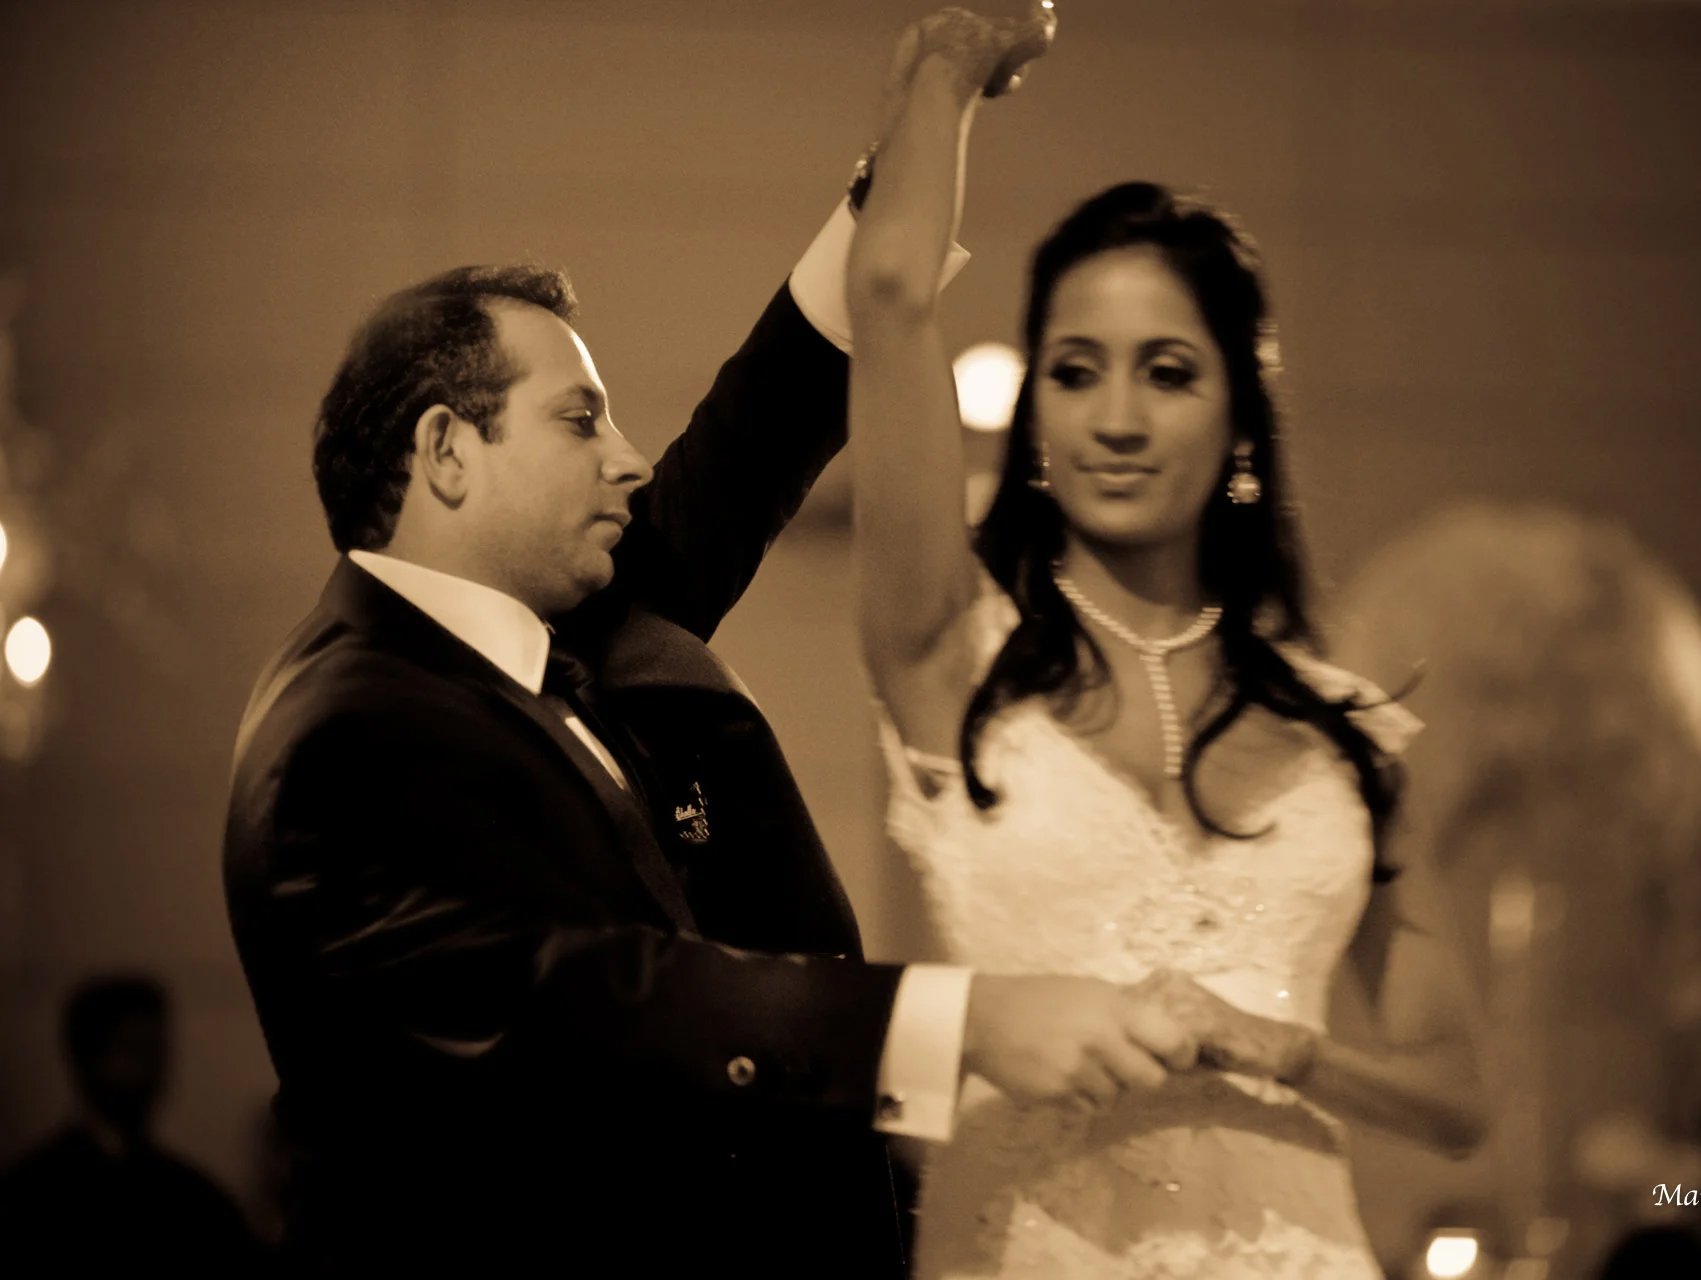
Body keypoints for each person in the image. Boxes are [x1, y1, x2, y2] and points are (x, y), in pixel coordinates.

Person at [221, 11, 1267, 1275]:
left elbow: (754, 430)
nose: (628, 460)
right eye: (580, 420)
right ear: (447, 451)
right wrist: (953, 1020)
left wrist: (928, 119)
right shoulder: (347, 732)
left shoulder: (558, 637)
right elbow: (591, 995)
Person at [844, 10, 1489, 1276]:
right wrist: (947, 67)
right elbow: (886, 291)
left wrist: (1287, 1045)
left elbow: (1461, 1091)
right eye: (1076, 372)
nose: (1118, 418)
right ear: (1034, 412)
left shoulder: (1343, 731)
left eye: (1168, 372)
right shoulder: (948, 655)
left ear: (1242, 413)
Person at [0, 976, 263, 1274]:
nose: (154, 1069)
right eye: (135, 1051)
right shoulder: (32, 1194)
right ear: (87, 1058)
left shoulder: (192, 1197)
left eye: (158, 1051)